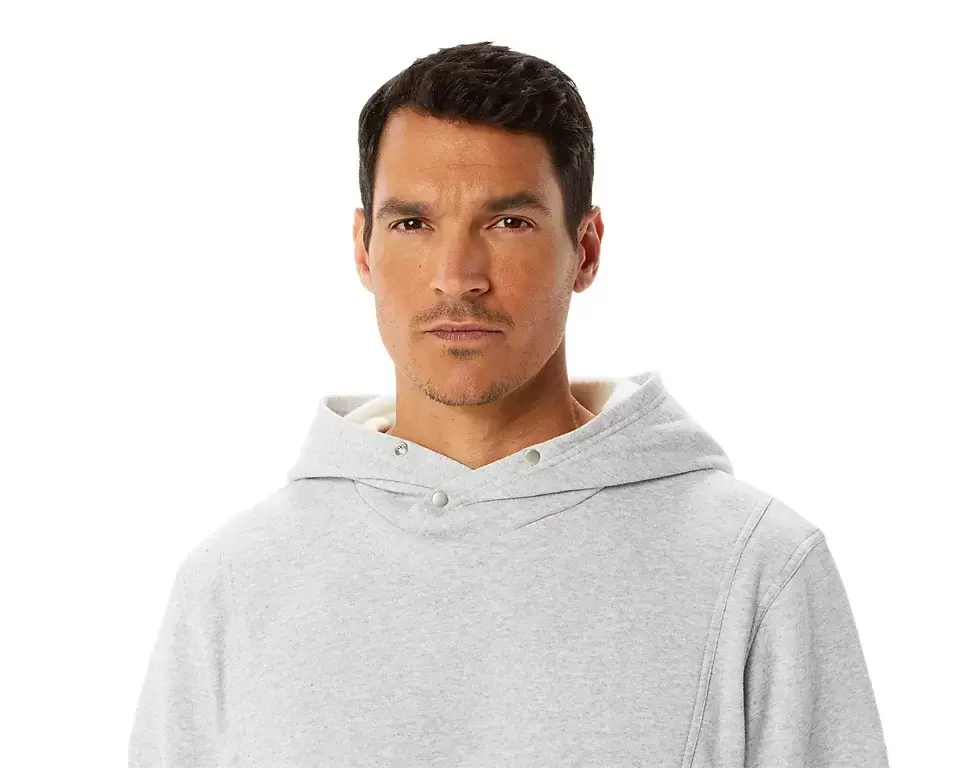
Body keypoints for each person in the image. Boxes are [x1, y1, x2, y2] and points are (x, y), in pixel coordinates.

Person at [128, 41, 889, 766]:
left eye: (508, 222)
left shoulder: (753, 564)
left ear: (586, 248)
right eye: (413, 223)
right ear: (363, 248)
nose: (457, 275)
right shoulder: (233, 584)